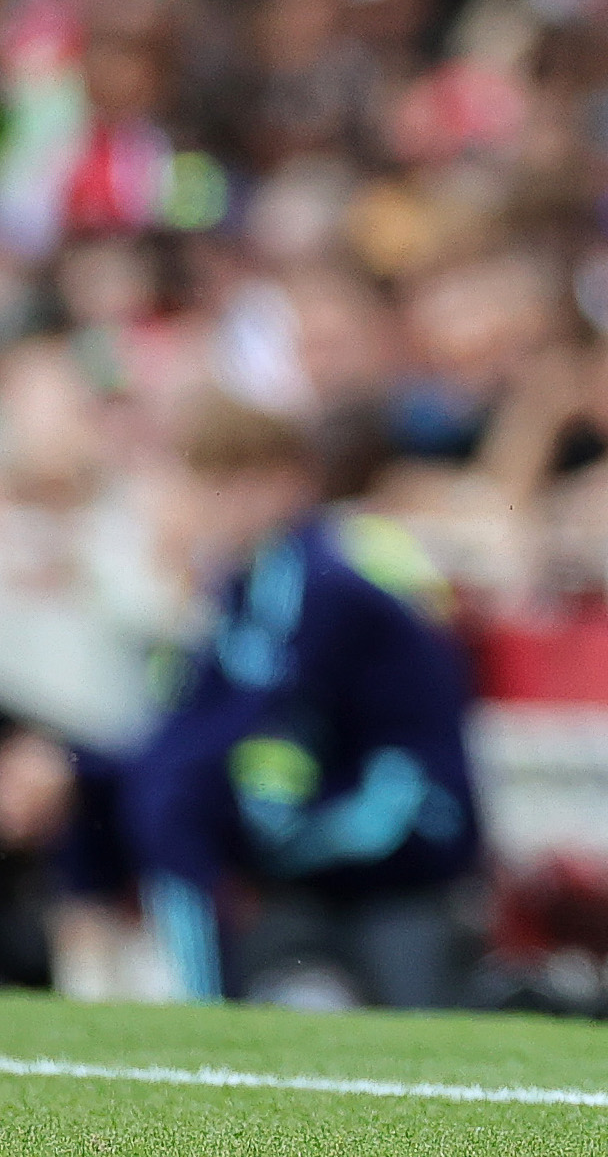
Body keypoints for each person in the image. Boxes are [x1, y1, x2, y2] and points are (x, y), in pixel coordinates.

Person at [29, 398, 485, 1006]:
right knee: (96, 785)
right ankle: (91, 977)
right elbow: (193, 716)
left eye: (229, 485)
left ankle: (197, 1003)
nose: (210, 506)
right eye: (206, 485)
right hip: (323, 808)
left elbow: (250, 716)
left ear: (285, 482)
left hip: (404, 819)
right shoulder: (246, 581)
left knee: (172, 795)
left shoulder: (319, 575)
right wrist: (75, 766)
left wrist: (113, 770)